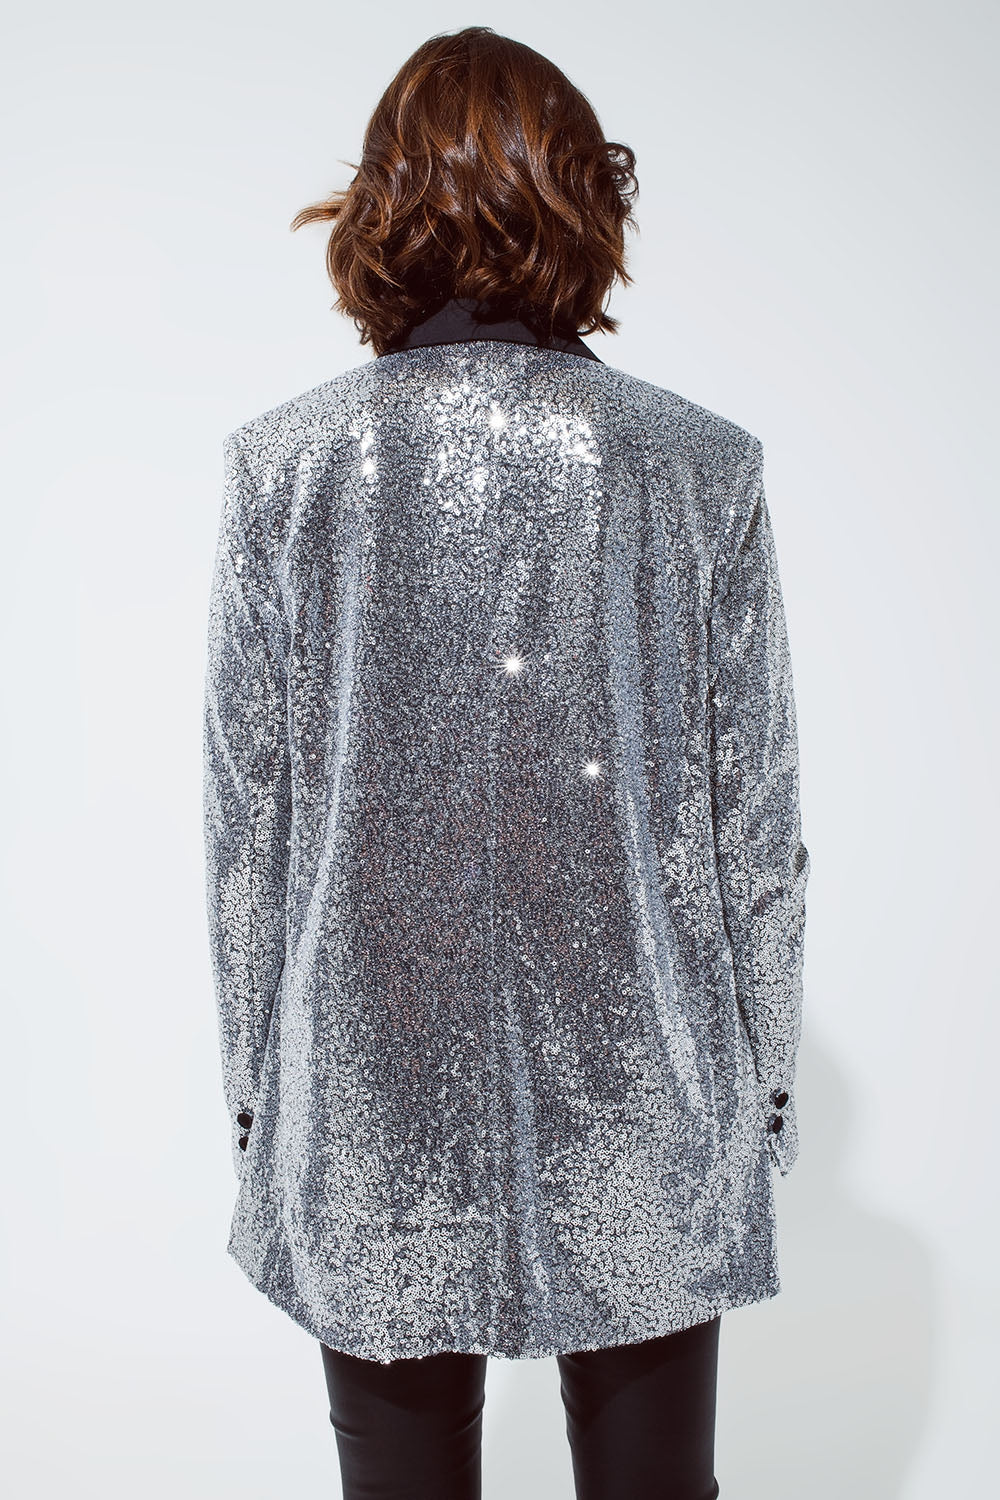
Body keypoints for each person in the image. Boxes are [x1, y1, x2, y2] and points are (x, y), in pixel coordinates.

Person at [202, 24, 810, 1500]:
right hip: (654, 1076)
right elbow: (755, 821)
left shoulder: (288, 466)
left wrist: (261, 1096)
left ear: (379, 203)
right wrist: (763, 1093)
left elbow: (248, 828)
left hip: (363, 1084)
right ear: (588, 198)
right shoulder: (697, 464)